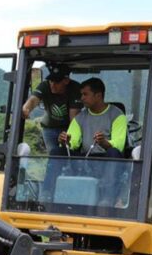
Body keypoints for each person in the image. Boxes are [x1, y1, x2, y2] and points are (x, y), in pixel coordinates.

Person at [43, 78, 127, 206]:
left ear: (98, 95)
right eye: (81, 94)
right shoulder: (80, 117)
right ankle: (47, 195)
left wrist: (104, 142)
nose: (81, 98)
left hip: (107, 161)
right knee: (57, 151)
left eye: (85, 94)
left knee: (113, 153)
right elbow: (74, 142)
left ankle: (106, 200)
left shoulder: (117, 115)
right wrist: (66, 141)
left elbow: (119, 145)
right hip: (86, 161)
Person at [22, 63, 82, 153]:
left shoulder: (75, 89)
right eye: (51, 81)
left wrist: (70, 136)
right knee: (53, 156)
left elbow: (74, 118)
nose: (52, 85)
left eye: (57, 82)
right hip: (49, 128)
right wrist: (26, 109)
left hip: (68, 128)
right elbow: (33, 100)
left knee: (71, 154)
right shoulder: (45, 86)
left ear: (66, 80)